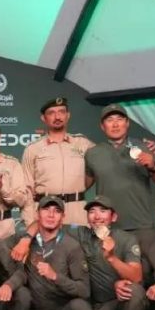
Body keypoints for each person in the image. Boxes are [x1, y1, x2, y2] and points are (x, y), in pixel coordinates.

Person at [12, 195, 144, 310]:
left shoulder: (126, 239)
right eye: (92, 211)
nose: (97, 216)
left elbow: (137, 276)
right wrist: (25, 239)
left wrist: (112, 258)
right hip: (99, 307)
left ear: (114, 217)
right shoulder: (81, 233)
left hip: (122, 300)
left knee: (134, 291)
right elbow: (44, 222)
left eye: (103, 211)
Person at [0, 196, 91, 310]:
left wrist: (55, 276)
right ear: (37, 215)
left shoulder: (72, 246)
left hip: (64, 309)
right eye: (46, 210)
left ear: (63, 217)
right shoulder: (25, 241)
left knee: (81, 309)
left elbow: (84, 290)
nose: (51, 215)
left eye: (57, 211)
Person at [85, 104, 155, 241]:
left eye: (119, 119)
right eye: (110, 120)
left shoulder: (145, 147)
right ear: (102, 126)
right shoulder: (92, 153)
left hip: (141, 226)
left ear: (127, 123)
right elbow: (82, 185)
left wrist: (153, 166)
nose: (115, 124)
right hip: (107, 227)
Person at [21, 97, 95, 227]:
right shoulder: (33, 149)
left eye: (61, 112)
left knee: (79, 241)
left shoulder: (83, 144)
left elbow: (98, 170)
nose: (57, 117)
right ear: (43, 118)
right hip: (46, 210)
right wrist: (30, 223)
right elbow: (26, 190)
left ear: (68, 115)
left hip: (76, 211)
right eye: (51, 113)